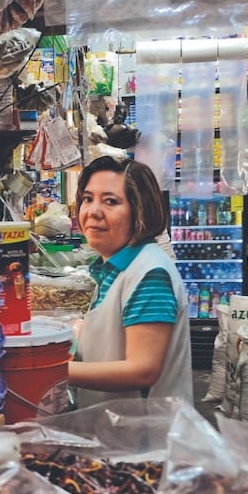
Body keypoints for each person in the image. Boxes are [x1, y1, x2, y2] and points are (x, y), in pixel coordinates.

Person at [67, 156, 193, 409]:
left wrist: (54, 370)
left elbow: (143, 370)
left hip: (143, 428)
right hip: (113, 424)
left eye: (110, 201)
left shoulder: (149, 274)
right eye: (88, 199)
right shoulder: (118, 266)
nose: (93, 212)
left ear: (140, 211)